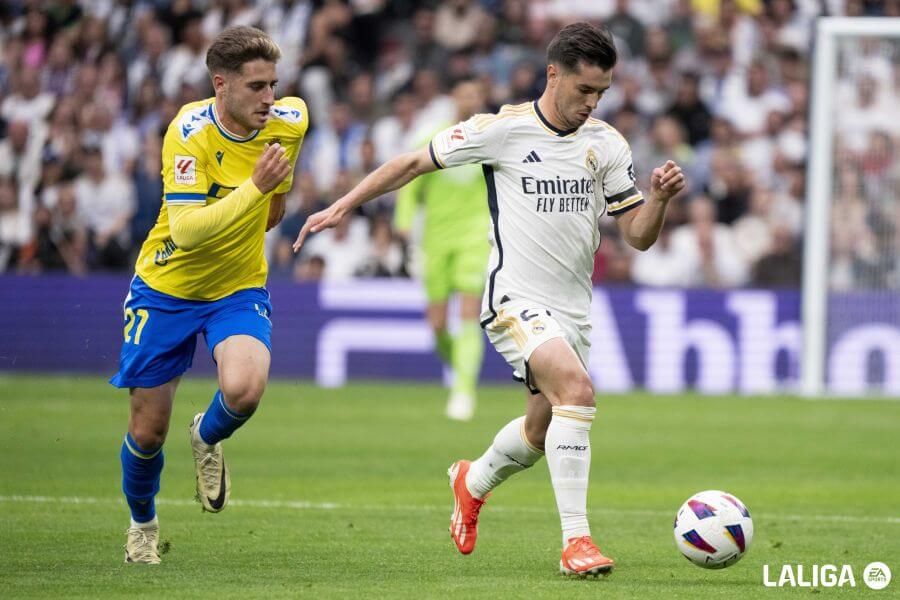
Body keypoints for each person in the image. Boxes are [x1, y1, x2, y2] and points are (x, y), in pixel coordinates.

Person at [293, 22, 685, 577]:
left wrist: (661, 201)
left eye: (601, 93)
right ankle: (577, 543)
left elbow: (638, 236)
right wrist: (343, 205)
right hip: (513, 300)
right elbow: (411, 162)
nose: (592, 103)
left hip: (573, 309)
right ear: (554, 74)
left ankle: (470, 481)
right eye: (584, 91)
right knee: (578, 391)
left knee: (540, 430)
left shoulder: (607, 144)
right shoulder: (502, 131)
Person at [110, 26, 308, 564]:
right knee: (148, 432)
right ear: (220, 85)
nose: (269, 98)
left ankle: (207, 434)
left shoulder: (290, 122)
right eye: (255, 87)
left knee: (244, 389)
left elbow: (274, 213)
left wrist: (263, 196)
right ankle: (143, 526)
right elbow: (188, 230)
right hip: (166, 288)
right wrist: (254, 188)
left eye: (273, 84)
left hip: (236, 287)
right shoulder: (188, 133)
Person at [393, 77, 491, 421]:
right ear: (454, 98)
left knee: (467, 311)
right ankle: (462, 373)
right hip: (435, 239)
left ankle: (464, 391)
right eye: (463, 94)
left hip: (474, 237)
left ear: (481, 98)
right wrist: (403, 220)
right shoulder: (434, 138)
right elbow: (410, 181)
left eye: (474, 94)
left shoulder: (490, 139)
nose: (469, 100)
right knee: (436, 324)